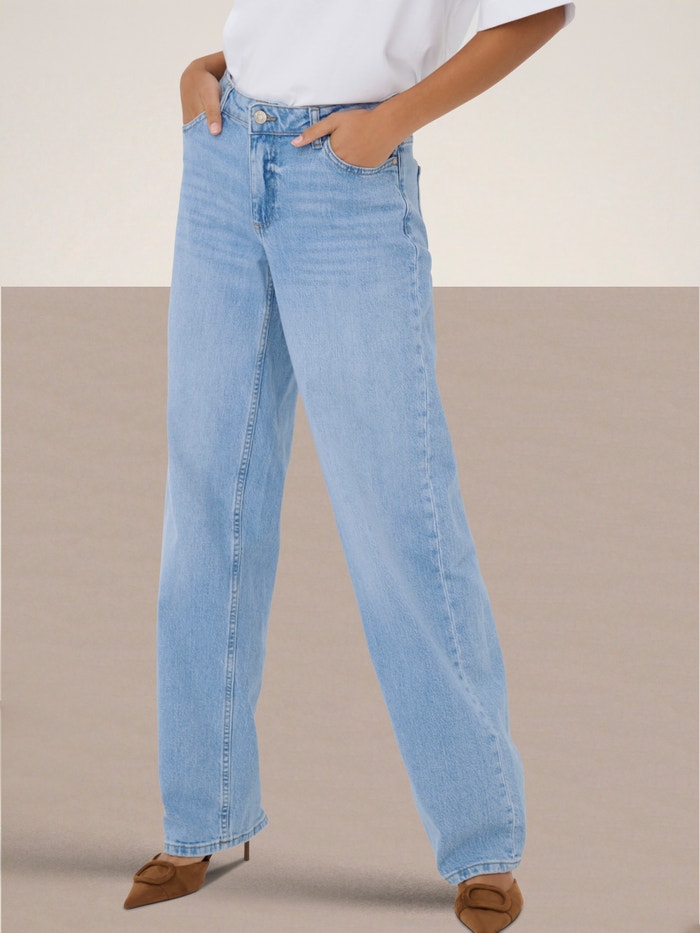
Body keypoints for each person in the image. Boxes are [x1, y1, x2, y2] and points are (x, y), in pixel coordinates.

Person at [124, 2, 575, 929]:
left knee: (400, 517)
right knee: (206, 505)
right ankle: (200, 817)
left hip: (346, 179)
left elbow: (540, 12)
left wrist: (388, 124)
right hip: (222, 149)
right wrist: (204, 72)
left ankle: (482, 842)